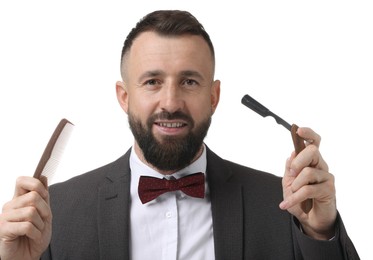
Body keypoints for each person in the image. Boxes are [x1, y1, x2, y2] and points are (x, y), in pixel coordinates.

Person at [0, 10, 359, 260]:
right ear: (124, 96)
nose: (170, 102)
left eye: (189, 81)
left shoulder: (285, 207)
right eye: (152, 81)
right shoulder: (54, 213)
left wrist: (320, 232)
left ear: (213, 96)